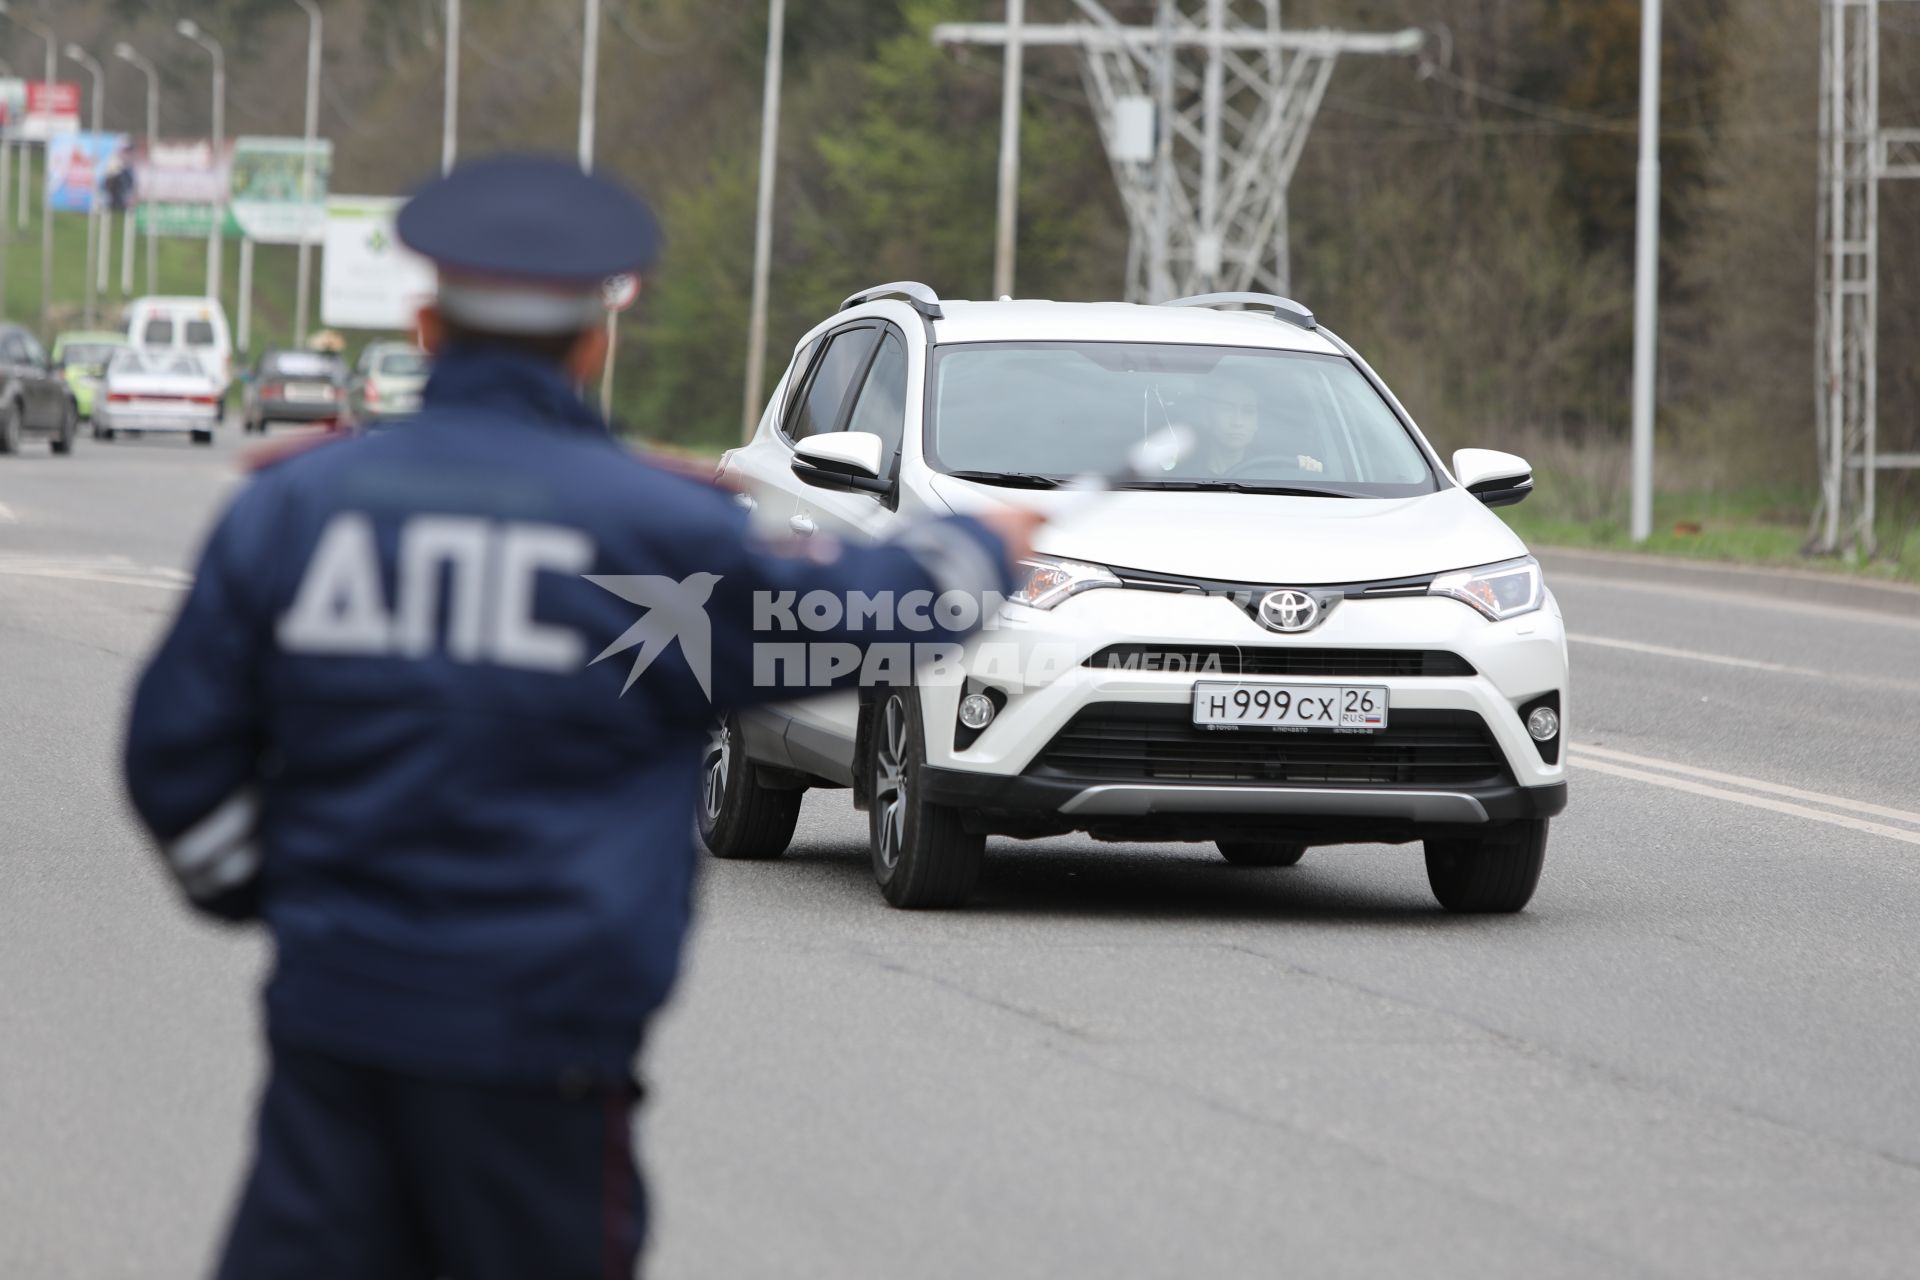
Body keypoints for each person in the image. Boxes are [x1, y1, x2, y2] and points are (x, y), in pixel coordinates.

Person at [122, 153, 1041, 1279]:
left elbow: (171, 752)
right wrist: (981, 549)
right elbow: (868, 616)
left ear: (424, 327)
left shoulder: (294, 509)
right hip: (544, 1053)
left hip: (335, 1026)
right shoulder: (662, 530)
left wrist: (261, 891)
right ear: (594, 341)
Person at [1192, 375, 1324, 477]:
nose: (1237, 422)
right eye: (1227, 409)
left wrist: (1308, 472)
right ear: (1207, 417)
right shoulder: (1180, 473)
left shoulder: (1277, 474)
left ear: (1257, 422)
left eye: (1248, 411)